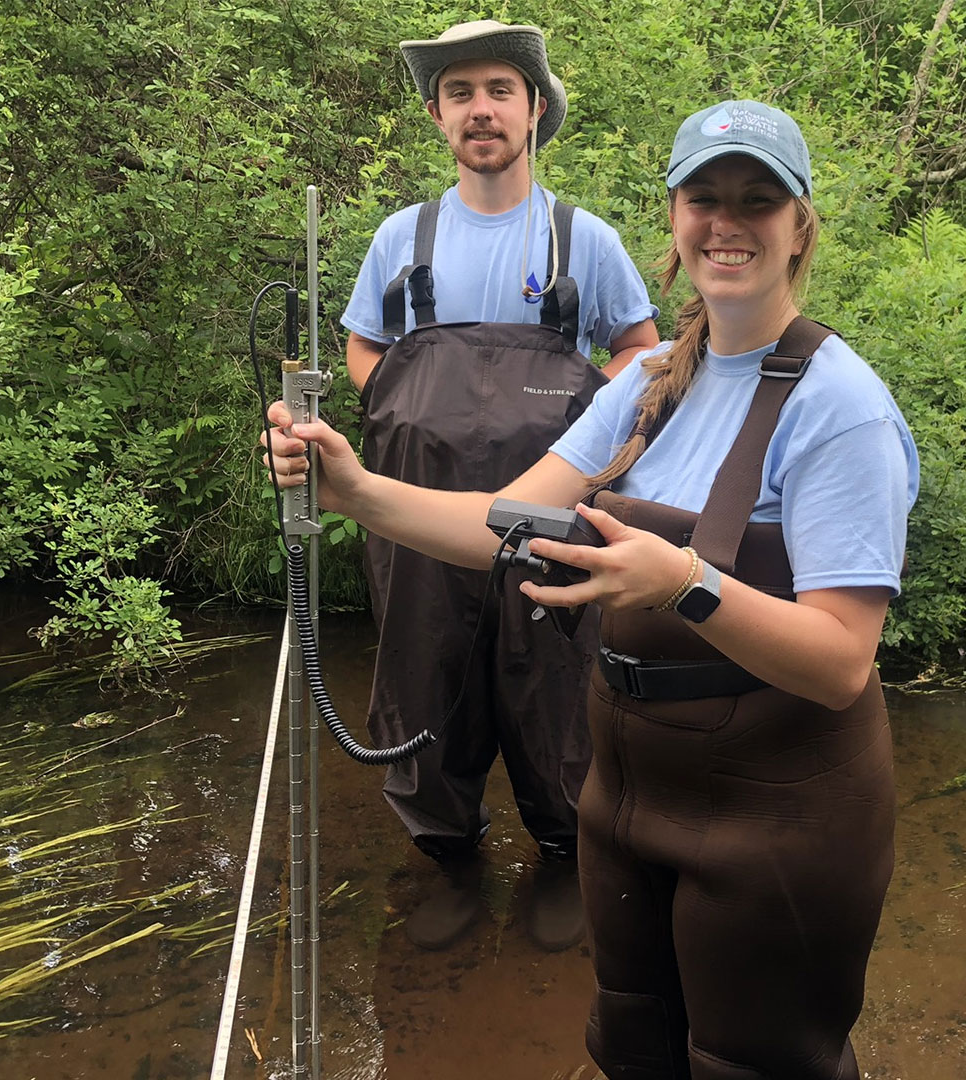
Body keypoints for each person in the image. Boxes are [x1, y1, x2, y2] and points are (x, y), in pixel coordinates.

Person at [268, 100, 919, 1079]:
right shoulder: (652, 379)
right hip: (628, 798)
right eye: (704, 197)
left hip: (781, 814)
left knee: (753, 1063)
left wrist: (686, 583)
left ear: (800, 227)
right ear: (675, 217)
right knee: (633, 1048)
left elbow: (839, 663)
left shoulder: (841, 407)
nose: (727, 221)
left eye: (757, 199)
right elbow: (505, 523)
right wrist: (355, 491)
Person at [342, 20, 660, 953]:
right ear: (437, 116)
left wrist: (578, 422)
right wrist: (412, 407)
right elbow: (363, 348)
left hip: (550, 521)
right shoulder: (401, 239)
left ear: (534, 110)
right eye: (460, 93)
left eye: (499, 91)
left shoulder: (582, 240)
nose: (480, 110)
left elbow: (642, 353)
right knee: (421, 685)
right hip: (417, 521)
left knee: (557, 693)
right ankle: (450, 864)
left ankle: (564, 860)